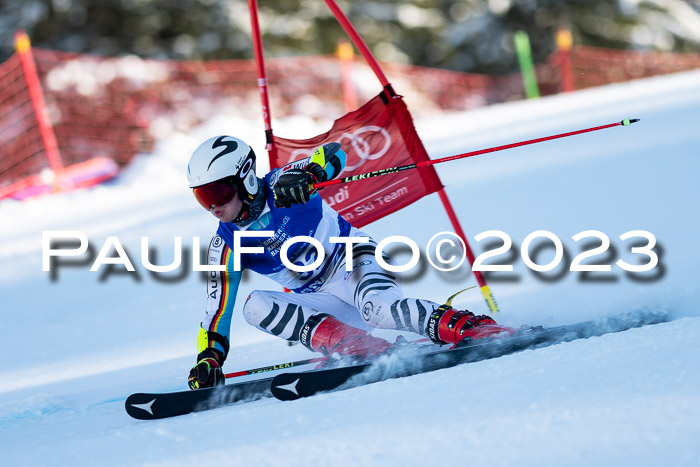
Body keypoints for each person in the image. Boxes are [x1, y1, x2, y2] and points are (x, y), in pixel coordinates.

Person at [186, 135, 507, 389]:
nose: (213, 206)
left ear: (245, 178)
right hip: (320, 297)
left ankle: (470, 326)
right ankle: (356, 346)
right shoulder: (226, 245)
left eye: (219, 192)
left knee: (379, 310)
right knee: (253, 306)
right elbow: (217, 311)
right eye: (203, 197)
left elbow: (333, 154)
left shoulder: (284, 183)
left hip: (352, 260)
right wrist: (209, 358)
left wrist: (312, 174)